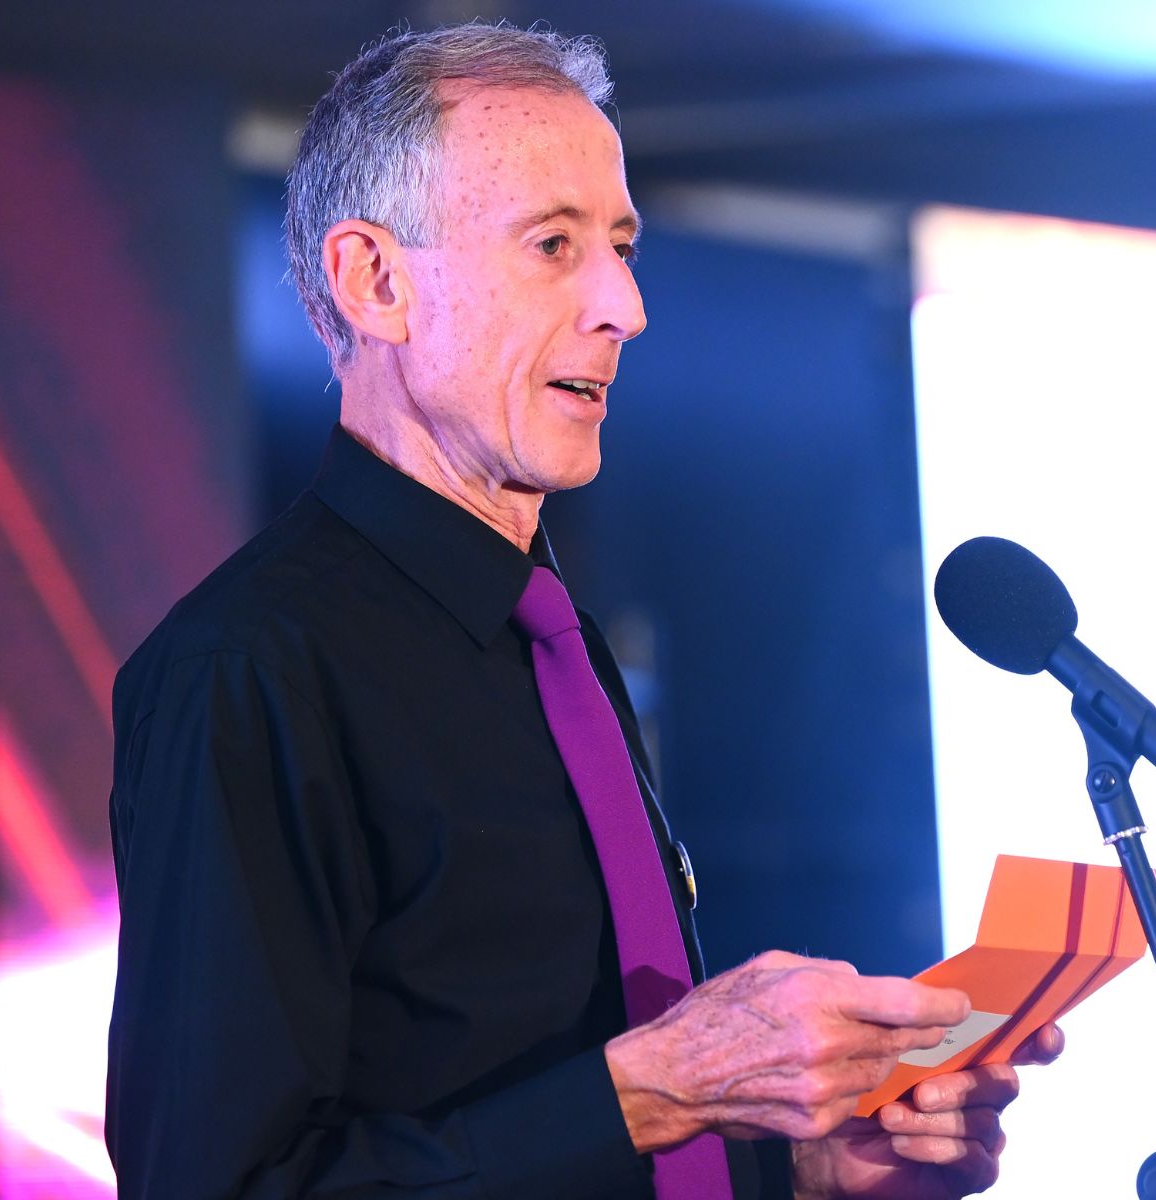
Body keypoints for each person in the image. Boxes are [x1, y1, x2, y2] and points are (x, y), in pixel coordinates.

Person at [105, 23, 1060, 1199]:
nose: (625, 305)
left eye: (620, 245)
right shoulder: (244, 669)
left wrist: (803, 1165)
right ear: (377, 281)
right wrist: (656, 1088)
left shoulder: (549, 639)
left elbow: (572, 1125)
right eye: (553, 245)